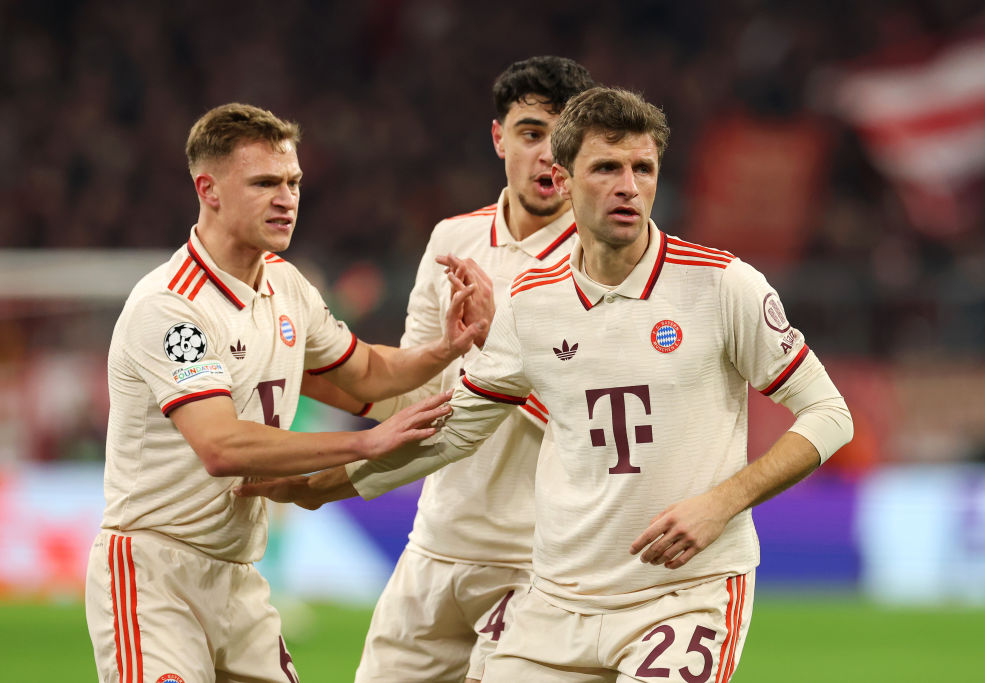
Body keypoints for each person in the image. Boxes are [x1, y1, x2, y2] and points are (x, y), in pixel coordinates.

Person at [245, 87, 854, 680]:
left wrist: (723, 502)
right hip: (559, 601)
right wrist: (327, 486)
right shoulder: (533, 303)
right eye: (607, 168)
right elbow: (453, 431)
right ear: (563, 179)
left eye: (643, 168)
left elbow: (829, 413)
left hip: (681, 596)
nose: (628, 186)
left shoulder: (721, 285)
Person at [83, 102, 484, 683]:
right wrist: (364, 445)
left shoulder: (286, 285)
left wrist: (445, 348)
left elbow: (366, 373)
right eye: (264, 183)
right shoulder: (170, 307)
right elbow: (220, 446)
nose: (286, 199)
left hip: (238, 576)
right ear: (208, 190)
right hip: (153, 572)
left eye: (293, 182)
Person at [241, 56, 596, 683]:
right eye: (531, 133)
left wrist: (497, 340)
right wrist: (307, 373)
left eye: (563, 139)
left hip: (541, 561)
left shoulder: (604, 260)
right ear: (499, 138)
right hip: (437, 543)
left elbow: (593, 418)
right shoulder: (452, 241)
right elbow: (417, 400)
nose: (548, 155)